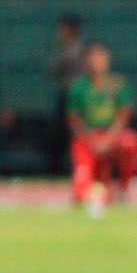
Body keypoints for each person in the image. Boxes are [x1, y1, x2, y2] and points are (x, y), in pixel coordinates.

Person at [66, 41, 137, 218]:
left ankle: (126, 185)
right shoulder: (78, 87)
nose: (96, 62)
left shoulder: (117, 84)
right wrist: (93, 141)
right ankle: (95, 190)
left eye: (100, 58)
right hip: (88, 139)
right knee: (81, 192)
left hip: (112, 136)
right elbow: (75, 120)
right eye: (92, 59)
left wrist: (108, 140)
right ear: (86, 62)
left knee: (131, 143)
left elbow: (123, 115)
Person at [47, 15, 86, 173]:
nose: (59, 32)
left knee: (72, 132)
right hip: (66, 94)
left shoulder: (75, 49)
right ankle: (61, 167)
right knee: (60, 133)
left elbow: (55, 68)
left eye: (63, 28)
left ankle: (77, 167)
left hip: (75, 96)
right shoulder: (64, 47)